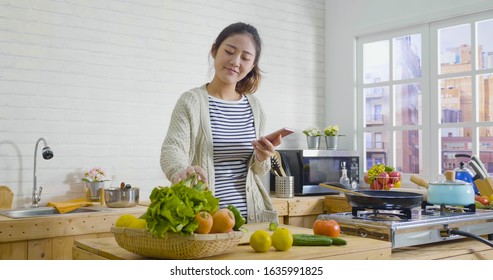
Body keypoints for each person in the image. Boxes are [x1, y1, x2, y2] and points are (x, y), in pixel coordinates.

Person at [160, 22, 279, 224]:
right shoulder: (191, 101)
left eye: (245, 58)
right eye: (229, 52)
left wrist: (261, 157)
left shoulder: (255, 107)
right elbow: (172, 148)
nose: (235, 61)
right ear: (214, 50)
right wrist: (181, 169)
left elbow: (258, 171)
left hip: (252, 220)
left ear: (251, 66)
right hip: (204, 221)